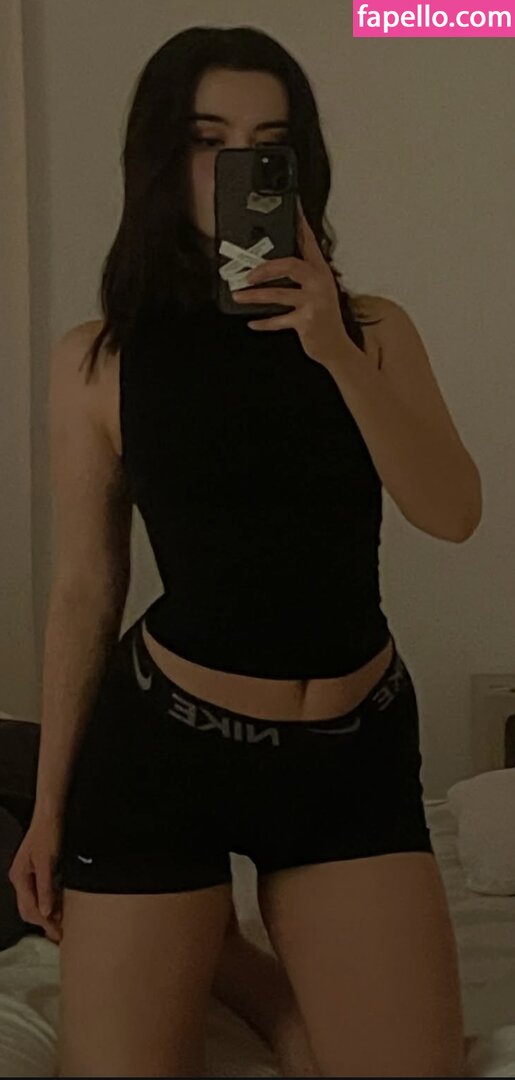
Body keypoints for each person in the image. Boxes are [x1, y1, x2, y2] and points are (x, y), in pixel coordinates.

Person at [9, 24, 482, 1079]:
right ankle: (201, 931)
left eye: (268, 146)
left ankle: (225, 950)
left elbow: (452, 511)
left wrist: (333, 352)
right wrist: (48, 806)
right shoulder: (99, 359)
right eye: (208, 139)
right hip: (165, 751)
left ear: (298, 165)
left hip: (350, 756)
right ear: (160, 157)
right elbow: (87, 586)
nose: (238, 167)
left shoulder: (371, 330)